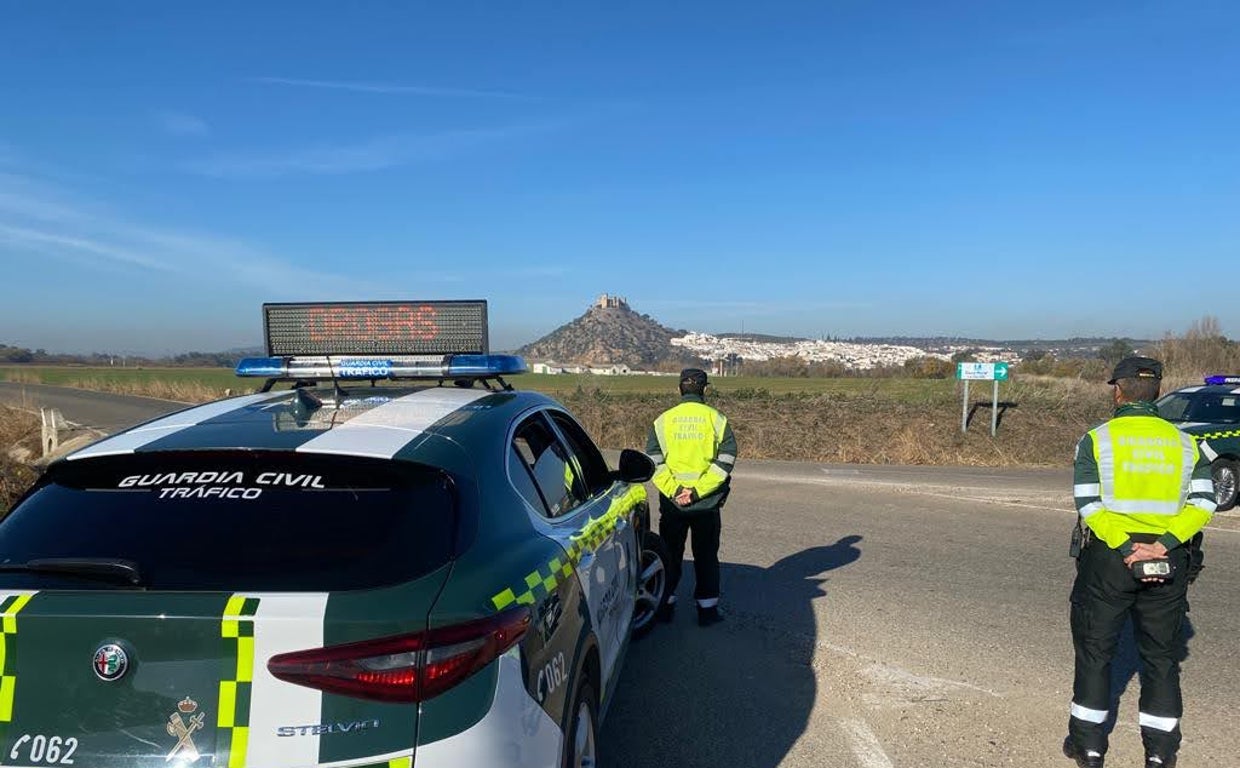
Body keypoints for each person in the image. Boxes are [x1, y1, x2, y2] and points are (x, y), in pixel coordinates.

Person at [1063, 356, 1214, 768]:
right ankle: (1160, 753)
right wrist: (1163, 543)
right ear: (1158, 392)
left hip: (1111, 559)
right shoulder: (1188, 443)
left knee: (1095, 651)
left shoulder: (1096, 440)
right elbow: (1204, 502)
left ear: (1118, 391)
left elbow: (1089, 504)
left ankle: (1089, 746)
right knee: (1161, 658)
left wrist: (1127, 545)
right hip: (1170, 560)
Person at [645, 367, 737, 627]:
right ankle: (707, 611)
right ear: (705, 389)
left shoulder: (663, 420)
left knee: (670, 553)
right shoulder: (717, 419)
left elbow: (653, 461)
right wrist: (697, 492)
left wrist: (675, 491)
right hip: (706, 504)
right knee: (706, 555)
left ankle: (665, 606)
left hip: (673, 504)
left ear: (679, 389)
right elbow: (726, 460)